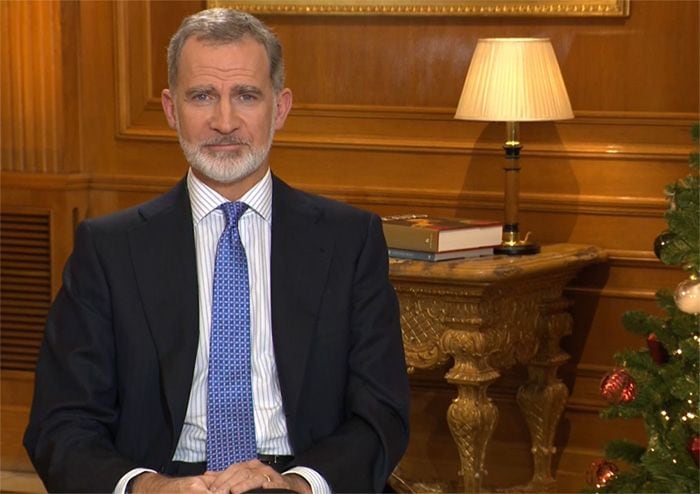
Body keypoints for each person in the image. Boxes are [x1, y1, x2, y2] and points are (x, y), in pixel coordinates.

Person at [23, 8, 410, 494]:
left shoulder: (350, 240)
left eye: (246, 95)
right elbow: (60, 423)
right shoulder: (109, 249)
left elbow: (382, 413)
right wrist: (148, 488)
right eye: (202, 96)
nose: (224, 121)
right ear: (170, 109)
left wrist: (299, 485)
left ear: (281, 107)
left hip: (300, 477)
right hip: (164, 479)